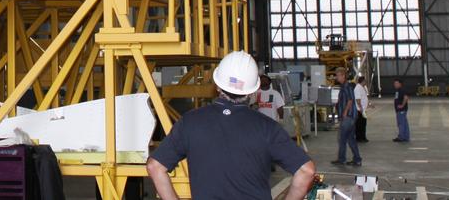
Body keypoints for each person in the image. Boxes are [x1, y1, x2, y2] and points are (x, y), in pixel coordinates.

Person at [146, 50, 316, 200]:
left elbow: (155, 166)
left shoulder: (190, 122)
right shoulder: (267, 128)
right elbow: (306, 171)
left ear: (218, 85)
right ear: (252, 91)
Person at [330, 67, 361, 167]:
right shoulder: (344, 86)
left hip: (348, 117)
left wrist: (345, 112)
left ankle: (342, 159)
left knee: (342, 138)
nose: (336, 77)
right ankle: (357, 159)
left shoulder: (347, 86)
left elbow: (350, 100)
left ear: (343, 75)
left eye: (338, 75)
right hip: (350, 117)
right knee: (350, 139)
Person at [392, 78, 411, 142]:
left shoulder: (402, 90)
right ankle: (406, 136)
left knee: (401, 124)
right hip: (399, 110)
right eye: (394, 83)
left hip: (401, 110)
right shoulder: (398, 90)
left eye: (396, 83)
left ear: (400, 84)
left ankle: (401, 137)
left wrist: (402, 105)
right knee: (404, 123)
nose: (395, 84)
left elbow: (406, 97)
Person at [354, 75, 369, 142]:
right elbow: (358, 99)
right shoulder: (357, 88)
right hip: (359, 110)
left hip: (363, 109)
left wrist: (369, 104)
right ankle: (359, 138)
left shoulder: (364, 87)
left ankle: (363, 137)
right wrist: (360, 108)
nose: (366, 82)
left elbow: (365, 97)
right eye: (365, 80)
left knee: (363, 123)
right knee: (359, 124)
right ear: (362, 81)